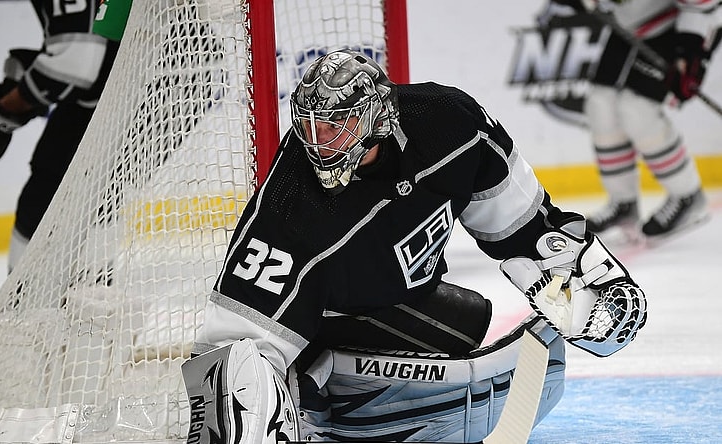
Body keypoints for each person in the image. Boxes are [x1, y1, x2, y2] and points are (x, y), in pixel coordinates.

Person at [182, 49, 647, 443]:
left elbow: (525, 228)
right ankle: (310, 396)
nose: (320, 144)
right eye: (311, 126)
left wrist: (579, 279)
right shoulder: (291, 207)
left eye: (336, 127)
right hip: (315, 321)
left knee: (466, 323)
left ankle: (347, 399)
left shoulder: (451, 126)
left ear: (377, 119)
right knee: (245, 372)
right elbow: (231, 350)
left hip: (400, 301)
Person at [0, 0, 121, 272]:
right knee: (97, 191)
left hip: (155, 76)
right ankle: (89, 303)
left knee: (58, 192)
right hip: (175, 68)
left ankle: (31, 306)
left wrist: (5, 107)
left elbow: (76, 63)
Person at [540, 0, 718, 242]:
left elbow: (703, 6)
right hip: (631, 18)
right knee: (600, 104)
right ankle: (624, 203)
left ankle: (688, 195)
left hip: (684, 18)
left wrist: (690, 50)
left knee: (637, 109)